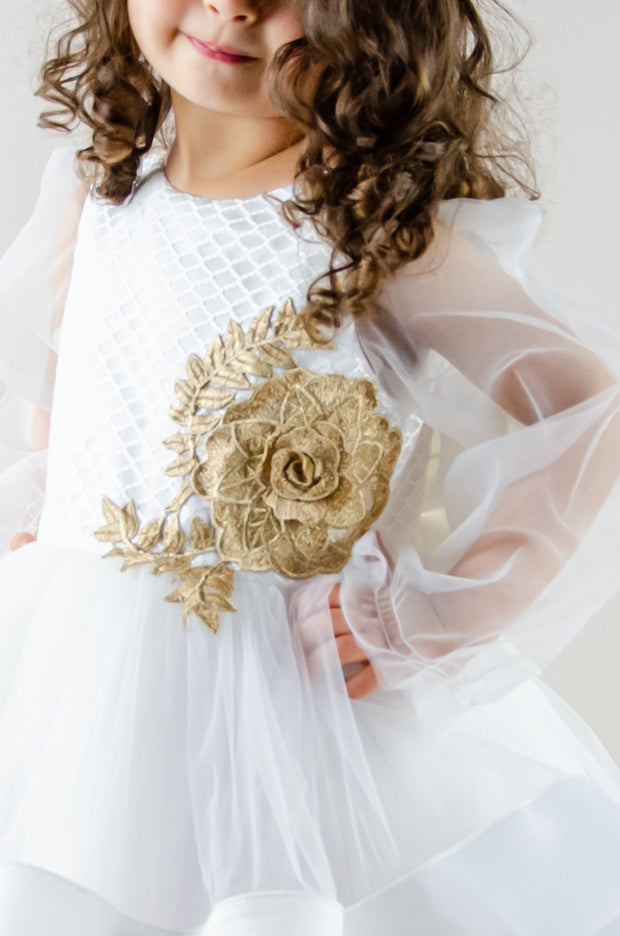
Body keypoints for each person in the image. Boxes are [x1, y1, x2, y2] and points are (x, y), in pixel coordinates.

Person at [1, 0, 619, 932]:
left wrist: (437, 611)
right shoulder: (97, 198)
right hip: (78, 688)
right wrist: (53, 511)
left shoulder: (373, 233)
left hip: (281, 715)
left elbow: (588, 404)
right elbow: (76, 392)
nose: (234, 5)